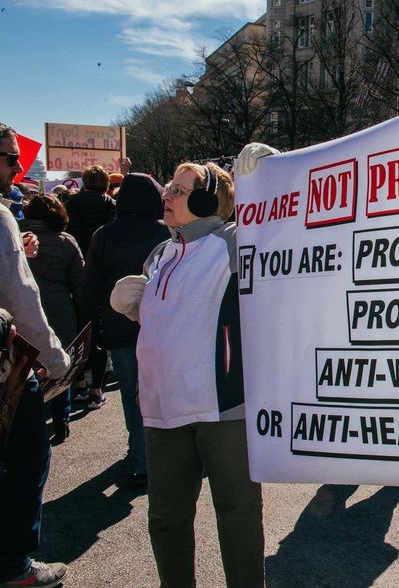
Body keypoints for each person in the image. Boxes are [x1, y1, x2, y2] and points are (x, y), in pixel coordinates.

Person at [110, 160, 265, 587]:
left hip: (223, 410)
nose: (167, 196)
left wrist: (268, 176)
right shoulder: (161, 253)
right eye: (169, 188)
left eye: (179, 191)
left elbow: (281, 230)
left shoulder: (232, 241)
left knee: (238, 519)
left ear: (206, 199)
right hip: (162, 412)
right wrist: (135, 305)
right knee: (166, 520)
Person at [0, 122, 72, 588]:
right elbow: (21, 297)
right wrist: (56, 357)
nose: (17, 166)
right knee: (28, 457)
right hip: (6, 364)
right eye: (10, 158)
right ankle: (15, 566)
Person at [82, 173, 169, 486]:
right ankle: (163, 456)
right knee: (161, 393)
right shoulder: (168, 232)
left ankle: (139, 458)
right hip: (161, 327)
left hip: (119, 327)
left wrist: (91, 327)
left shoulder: (104, 235)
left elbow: (90, 287)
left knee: (132, 394)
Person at [19, 194, 84, 445]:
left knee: (26, 366)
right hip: (59, 310)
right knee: (59, 362)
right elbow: (79, 282)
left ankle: (30, 419)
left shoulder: (15, 238)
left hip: (23, 310)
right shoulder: (66, 242)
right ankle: (61, 418)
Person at [65, 166, 116, 410]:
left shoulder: (71, 204)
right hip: (102, 273)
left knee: (78, 330)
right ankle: (97, 389)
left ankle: (79, 386)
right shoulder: (110, 205)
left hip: (75, 273)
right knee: (98, 333)